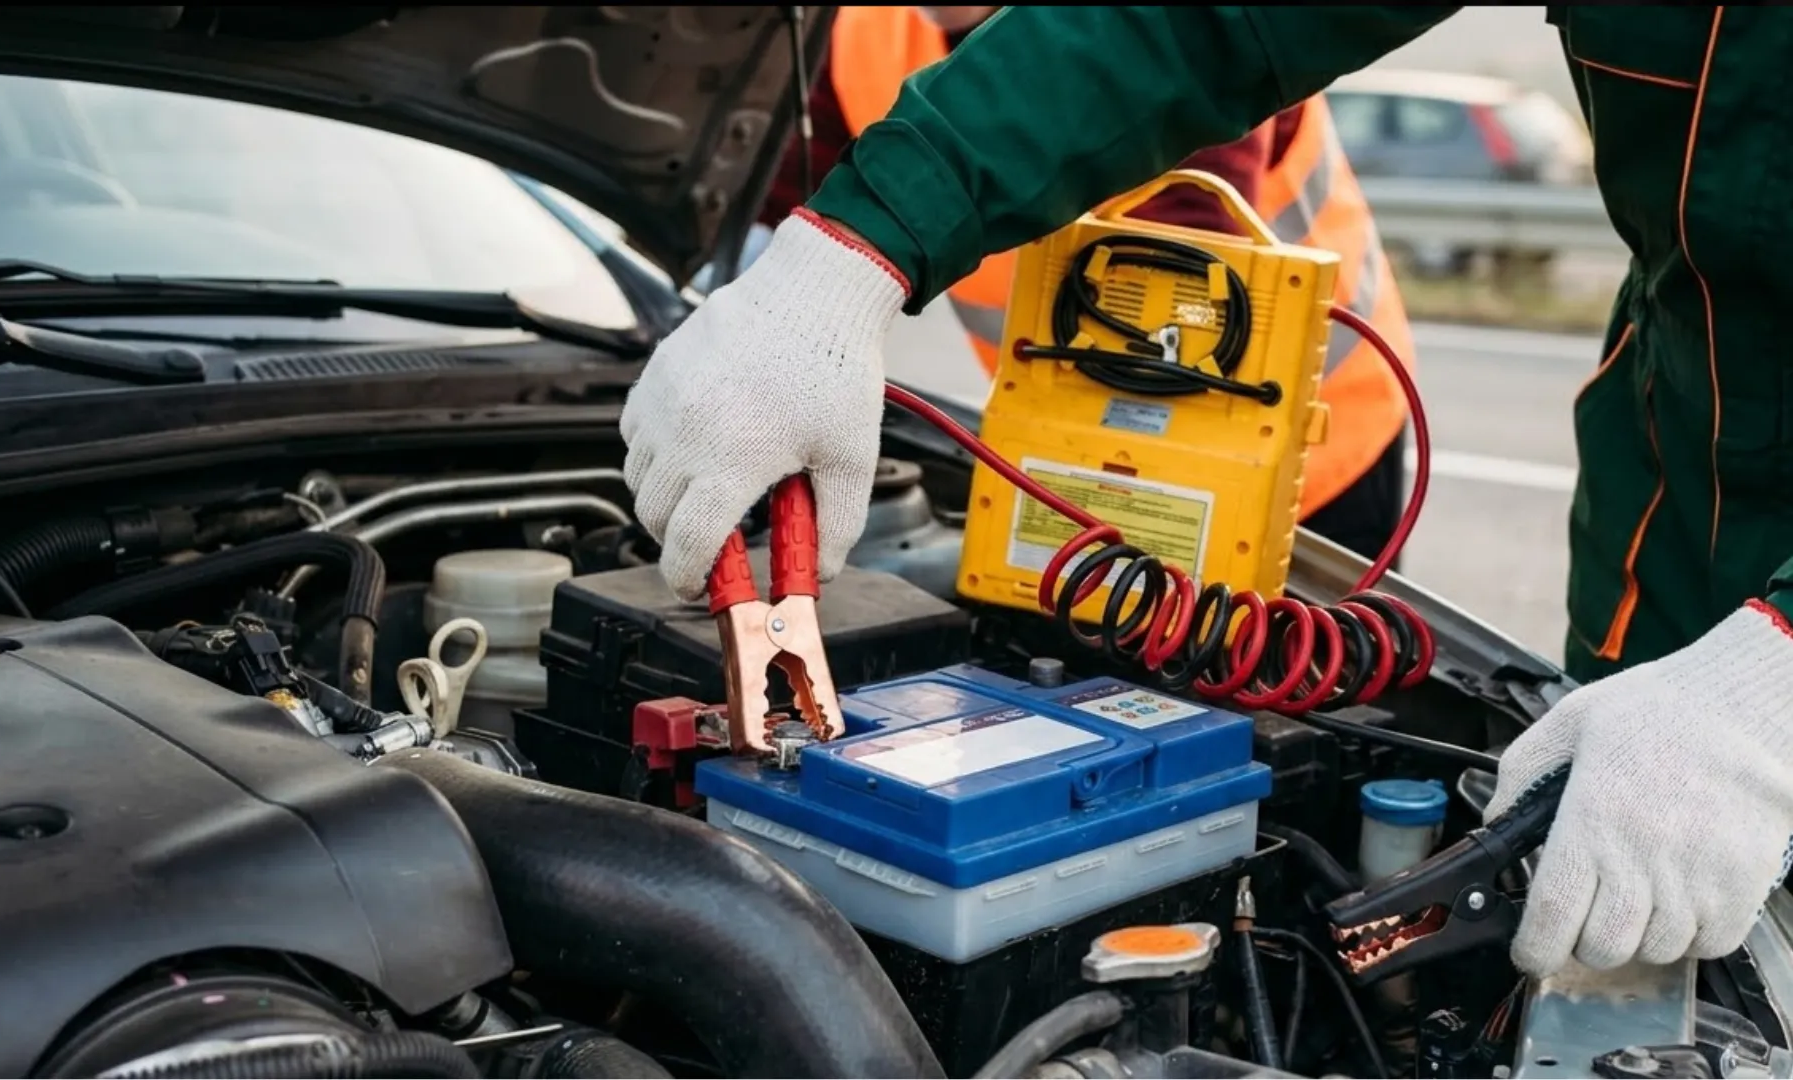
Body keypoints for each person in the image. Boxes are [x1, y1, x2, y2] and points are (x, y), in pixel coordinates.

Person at [619, 7, 1793, 979]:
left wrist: (1770, 685)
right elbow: (1195, 22)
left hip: (1311, 462)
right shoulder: (869, 31)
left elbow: (1168, 253)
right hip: (1665, 538)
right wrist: (843, 256)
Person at [756, 5, 1417, 563]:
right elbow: (780, 206)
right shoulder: (866, 31)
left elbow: (1186, 291)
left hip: (1310, 450)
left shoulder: (1147, 31)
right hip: (1086, 446)